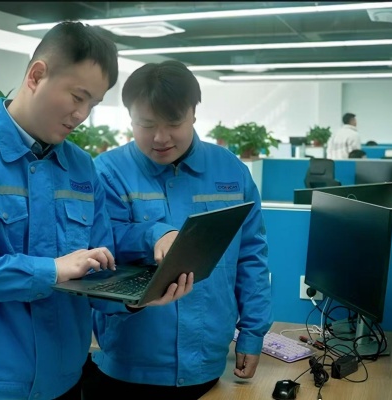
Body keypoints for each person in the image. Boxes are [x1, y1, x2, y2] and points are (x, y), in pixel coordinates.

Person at [0, 22, 193, 400]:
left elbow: (97, 272)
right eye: (78, 97)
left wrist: (137, 296)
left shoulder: (81, 168)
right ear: (36, 75)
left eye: (93, 104)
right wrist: (51, 270)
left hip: (65, 379)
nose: (82, 114)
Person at [82, 60, 273, 400]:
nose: (160, 137)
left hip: (207, 358)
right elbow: (99, 247)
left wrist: (253, 332)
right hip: (130, 362)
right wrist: (153, 233)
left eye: (173, 123)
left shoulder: (231, 171)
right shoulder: (107, 172)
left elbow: (251, 257)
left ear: (194, 114)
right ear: (130, 118)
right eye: (146, 124)